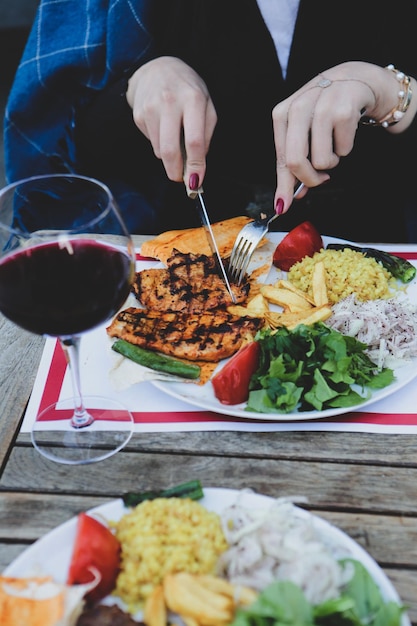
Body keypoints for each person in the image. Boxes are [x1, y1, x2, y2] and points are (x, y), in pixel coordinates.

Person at [4, 0, 417, 241]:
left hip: (379, 243)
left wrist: (393, 93)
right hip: (188, 246)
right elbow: (69, 148)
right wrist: (137, 84)